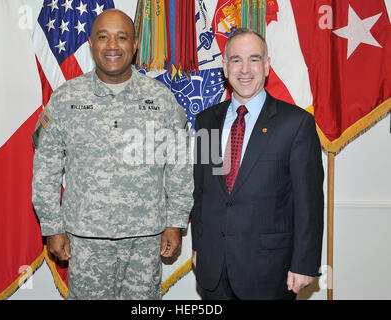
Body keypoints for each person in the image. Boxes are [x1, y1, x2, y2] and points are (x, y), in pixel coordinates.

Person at [32, 9, 191, 300]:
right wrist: (52, 227)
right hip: (86, 240)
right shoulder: (66, 98)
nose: (113, 46)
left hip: (145, 240)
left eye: (122, 37)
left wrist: (176, 222)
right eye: (103, 37)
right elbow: (46, 167)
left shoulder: (161, 100)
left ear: (135, 44)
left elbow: (181, 167)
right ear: (91, 44)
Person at [191, 28, 324, 300]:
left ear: (266, 66)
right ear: (225, 67)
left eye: (254, 59)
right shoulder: (206, 121)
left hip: (270, 271)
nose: (245, 69)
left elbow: (308, 202)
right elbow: (203, 192)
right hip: (213, 268)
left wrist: (304, 264)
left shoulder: (296, 124)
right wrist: (199, 245)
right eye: (236, 60)